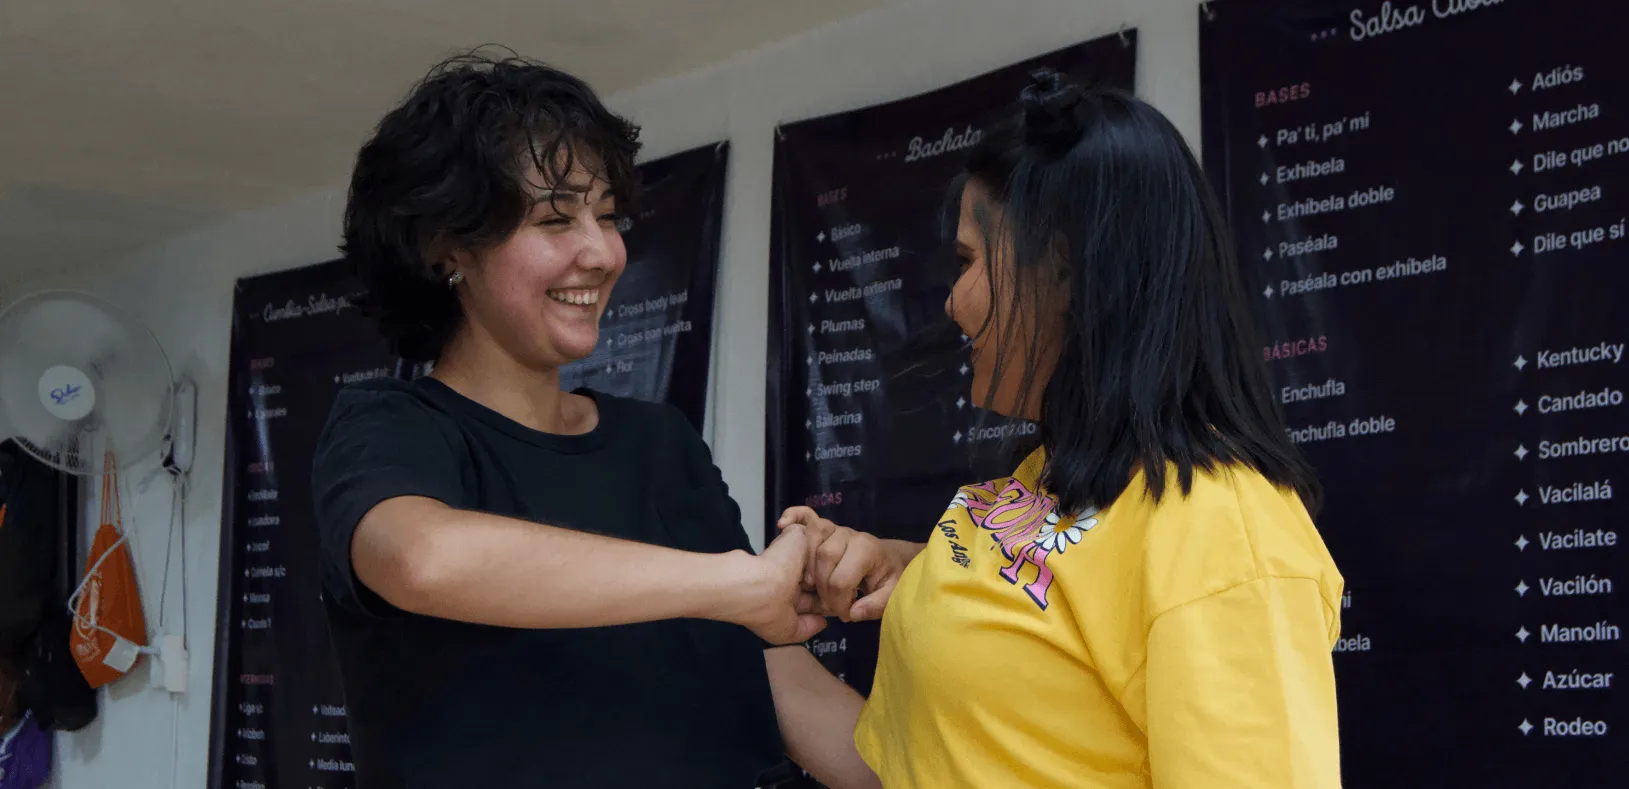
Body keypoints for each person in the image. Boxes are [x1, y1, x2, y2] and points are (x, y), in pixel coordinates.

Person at [312, 51, 893, 789]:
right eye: (556, 217)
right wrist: (735, 584)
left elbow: (776, 673)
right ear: (446, 246)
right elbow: (425, 560)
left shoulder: (659, 441)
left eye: (609, 215)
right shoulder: (391, 427)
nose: (604, 250)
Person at [785, 71, 1345, 787]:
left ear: (1067, 272)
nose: (953, 303)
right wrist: (749, 598)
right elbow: (904, 765)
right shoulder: (1044, 477)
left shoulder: (1219, 528)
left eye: (968, 262)